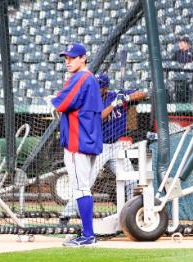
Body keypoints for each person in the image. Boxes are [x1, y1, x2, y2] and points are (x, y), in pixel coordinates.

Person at [59, 73, 147, 227]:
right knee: (86, 182)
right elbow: (98, 118)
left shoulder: (116, 95)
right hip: (99, 147)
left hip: (117, 146)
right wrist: (114, 105)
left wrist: (125, 99)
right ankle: (65, 216)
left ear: (105, 88)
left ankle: (131, 215)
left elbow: (143, 94)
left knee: (132, 179)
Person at [50, 43, 103, 247]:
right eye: (66, 58)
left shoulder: (81, 78)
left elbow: (62, 103)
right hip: (88, 139)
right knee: (83, 188)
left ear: (83, 58)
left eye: (72, 57)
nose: (68, 61)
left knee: (81, 189)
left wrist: (53, 99)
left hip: (77, 141)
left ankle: (88, 235)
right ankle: (87, 233)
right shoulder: (91, 79)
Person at [172, 36, 193, 103]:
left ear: (186, 43)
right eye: (179, 43)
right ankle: (177, 101)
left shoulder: (192, 51)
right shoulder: (177, 53)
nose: (179, 44)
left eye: (181, 42)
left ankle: (188, 101)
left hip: (188, 73)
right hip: (178, 73)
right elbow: (172, 62)